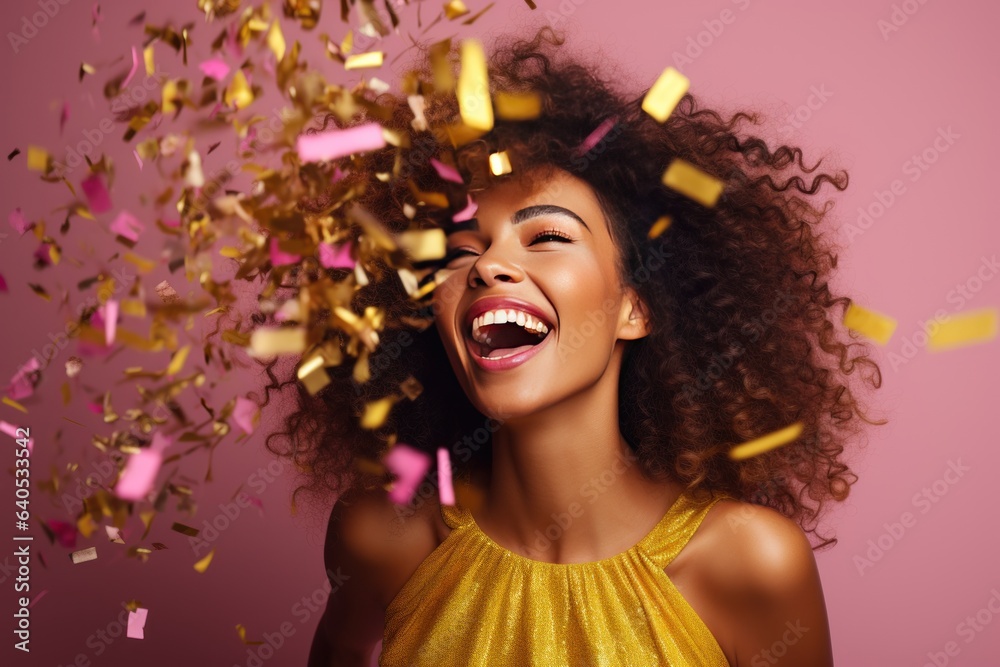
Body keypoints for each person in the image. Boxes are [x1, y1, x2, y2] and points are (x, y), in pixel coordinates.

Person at [260, 27, 884, 667]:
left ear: (635, 306)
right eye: (461, 250)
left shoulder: (750, 564)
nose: (488, 267)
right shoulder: (380, 539)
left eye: (547, 238)